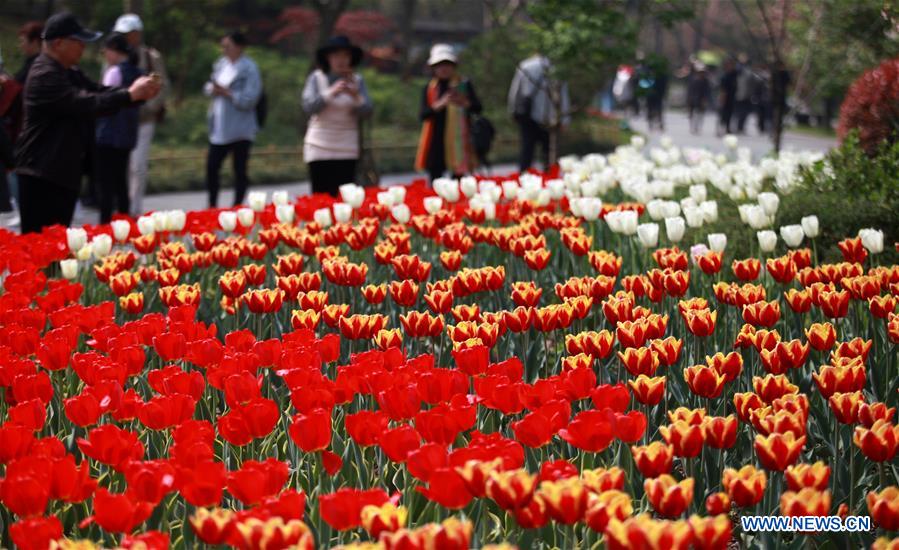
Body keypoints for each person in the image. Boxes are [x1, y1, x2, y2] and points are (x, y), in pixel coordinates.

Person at [14, 12, 160, 234]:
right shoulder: (44, 73)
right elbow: (83, 103)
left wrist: (134, 95)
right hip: (41, 174)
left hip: (59, 172)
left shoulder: (67, 71)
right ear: (59, 43)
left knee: (58, 251)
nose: (83, 47)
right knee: (40, 251)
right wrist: (129, 95)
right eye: (78, 41)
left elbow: (98, 91)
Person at [301, 35, 372, 196]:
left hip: (347, 147)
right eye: (336, 55)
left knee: (344, 198)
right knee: (320, 196)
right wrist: (330, 92)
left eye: (345, 56)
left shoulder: (358, 81)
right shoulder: (316, 78)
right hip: (319, 145)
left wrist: (355, 95)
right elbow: (309, 106)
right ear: (328, 58)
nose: (341, 60)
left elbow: (367, 111)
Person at [113, 13, 168, 217]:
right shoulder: (114, 55)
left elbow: (163, 86)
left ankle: (134, 208)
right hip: (120, 118)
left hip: (143, 119)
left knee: (137, 165)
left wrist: (149, 106)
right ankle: (122, 206)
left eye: (128, 34)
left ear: (137, 34)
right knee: (122, 165)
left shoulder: (151, 57)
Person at [204, 31, 262, 208]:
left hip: (240, 128)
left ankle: (237, 206)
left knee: (239, 169)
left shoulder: (250, 68)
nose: (224, 50)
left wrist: (228, 93)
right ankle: (212, 205)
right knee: (212, 167)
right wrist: (213, 90)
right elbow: (208, 86)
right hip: (219, 126)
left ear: (239, 47)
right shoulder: (220, 64)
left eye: (227, 46)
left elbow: (250, 99)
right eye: (223, 46)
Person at [415, 44, 481, 183]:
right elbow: (423, 115)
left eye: (447, 64)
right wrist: (441, 103)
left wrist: (464, 102)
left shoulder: (464, 84)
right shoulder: (430, 88)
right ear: (434, 68)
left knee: (458, 181)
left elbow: (477, 108)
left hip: (459, 141)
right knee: (435, 180)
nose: (444, 68)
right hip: (436, 141)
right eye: (439, 65)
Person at [94, 33, 142, 223]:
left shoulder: (114, 72)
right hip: (127, 135)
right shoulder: (138, 73)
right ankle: (124, 222)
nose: (105, 55)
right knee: (121, 181)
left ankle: (105, 223)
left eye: (106, 51)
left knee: (106, 184)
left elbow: (103, 101)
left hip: (108, 133)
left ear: (114, 50)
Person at [508, 52, 569, 172]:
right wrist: (565, 119)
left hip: (528, 116)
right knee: (549, 154)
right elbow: (564, 95)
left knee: (527, 152)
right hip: (550, 118)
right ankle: (550, 181)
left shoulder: (525, 66)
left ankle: (523, 180)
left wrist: (513, 111)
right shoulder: (555, 68)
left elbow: (515, 92)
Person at [686, 63, 712, 135]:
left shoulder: (706, 81)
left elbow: (707, 91)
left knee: (700, 114)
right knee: (693, 114)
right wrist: (689, 99)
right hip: (693, 99)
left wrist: (705, 100)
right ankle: (693, 127)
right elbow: (690, 90)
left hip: (702, 100)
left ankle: (698, 127)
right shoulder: (693, 79)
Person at [717, 59, 738, 136]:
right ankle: (721, 129)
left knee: (730, 114)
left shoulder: (734, 75)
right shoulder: (725, 76)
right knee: (723, 114)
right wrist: (722, 98)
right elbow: (722, 89)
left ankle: (727, 128)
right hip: (725, 97)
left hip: (732, 98)